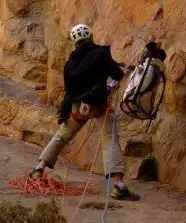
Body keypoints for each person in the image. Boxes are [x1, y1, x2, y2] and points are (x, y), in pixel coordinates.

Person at [29, 23, 140, 201]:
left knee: (62, 135)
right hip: (99, 104)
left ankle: (38, 168)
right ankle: (119, 186)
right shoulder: (101, 53)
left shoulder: (69, 64)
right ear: (90, 37)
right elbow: (117, 75)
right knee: (110, 139)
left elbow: (69, 90)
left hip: (78, 107)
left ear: (75, 42)